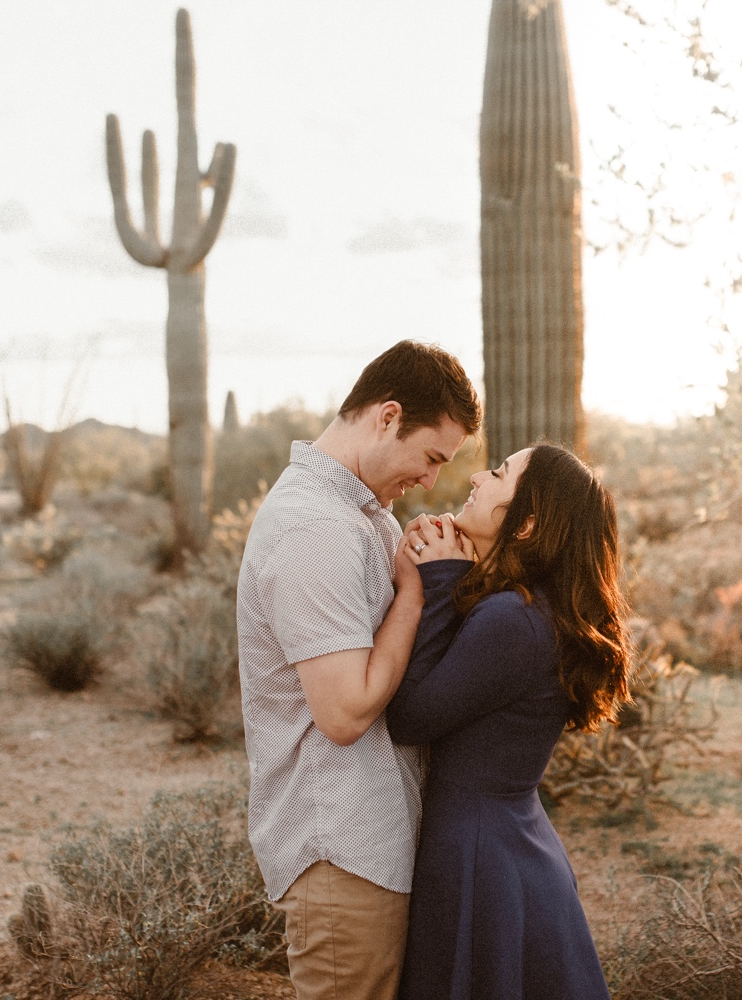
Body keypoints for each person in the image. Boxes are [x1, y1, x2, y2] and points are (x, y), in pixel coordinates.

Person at [237, 340, 480, 1000]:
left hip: (369, 840)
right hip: (341, 848)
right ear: (386, 416)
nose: (432, 480)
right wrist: (412, 594)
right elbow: (343, 713)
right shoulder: (314, 528)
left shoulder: (358, 514)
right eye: (431, 457)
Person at [386, 444, 632, 1000]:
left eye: (498, 474)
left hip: (478, 856)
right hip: (509, 844)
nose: (476, 475)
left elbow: (408, 716)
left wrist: (441, 584)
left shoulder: (514, 619)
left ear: (527, 524)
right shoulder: (528, 608)